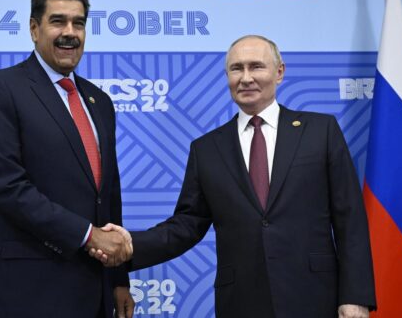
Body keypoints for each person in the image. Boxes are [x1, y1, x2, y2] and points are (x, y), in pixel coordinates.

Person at [91, 35, 376, 318]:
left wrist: (355, 296)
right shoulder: (206, 149)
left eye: (257, 67)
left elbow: (349, 218)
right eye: (237, 68)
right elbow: (187, 225)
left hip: (316, 298)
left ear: (279, 72)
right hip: (242, 302)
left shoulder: (320, 131)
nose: (246, 77)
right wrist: (131, 245)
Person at [0, 0, 134, 318]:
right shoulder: (1, 88)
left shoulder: (98, 101)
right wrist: (88, 236)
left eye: (79, 23)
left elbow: (108, 197)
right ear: (34, 28)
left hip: (96, 289)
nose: (69, 32)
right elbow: (5, 187)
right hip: (31, 288)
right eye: (58, 21)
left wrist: (119, 280)